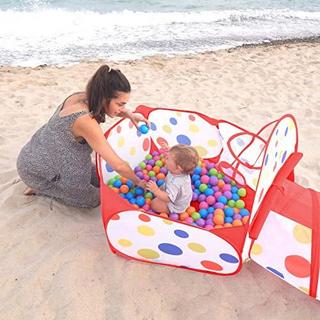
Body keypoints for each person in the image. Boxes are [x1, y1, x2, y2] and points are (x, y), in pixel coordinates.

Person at [16, 65, 148, 208]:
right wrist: (138, 182)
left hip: (34, 154)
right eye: (120, 104)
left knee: (100, 178)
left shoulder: (81, 97)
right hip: (42, 169)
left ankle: (42, 183)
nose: (122, 108)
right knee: (95, 200)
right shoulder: (85, 121)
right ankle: (41, 188)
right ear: (104, 98)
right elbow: (119, 165)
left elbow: (109, 108)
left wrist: (129, 114)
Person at [146, 144, 199, 214]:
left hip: (176, 205)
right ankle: (160, 193)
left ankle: (170, 211)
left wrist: (156, 190)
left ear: (178, 168)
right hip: (177, 194)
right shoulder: (179, 171)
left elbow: (168, 198)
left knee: (154, 204)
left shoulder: (176, 183)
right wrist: (170, 151)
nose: (166, 158)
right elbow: (179, 156)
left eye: (168, 158)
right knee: (160, 189)